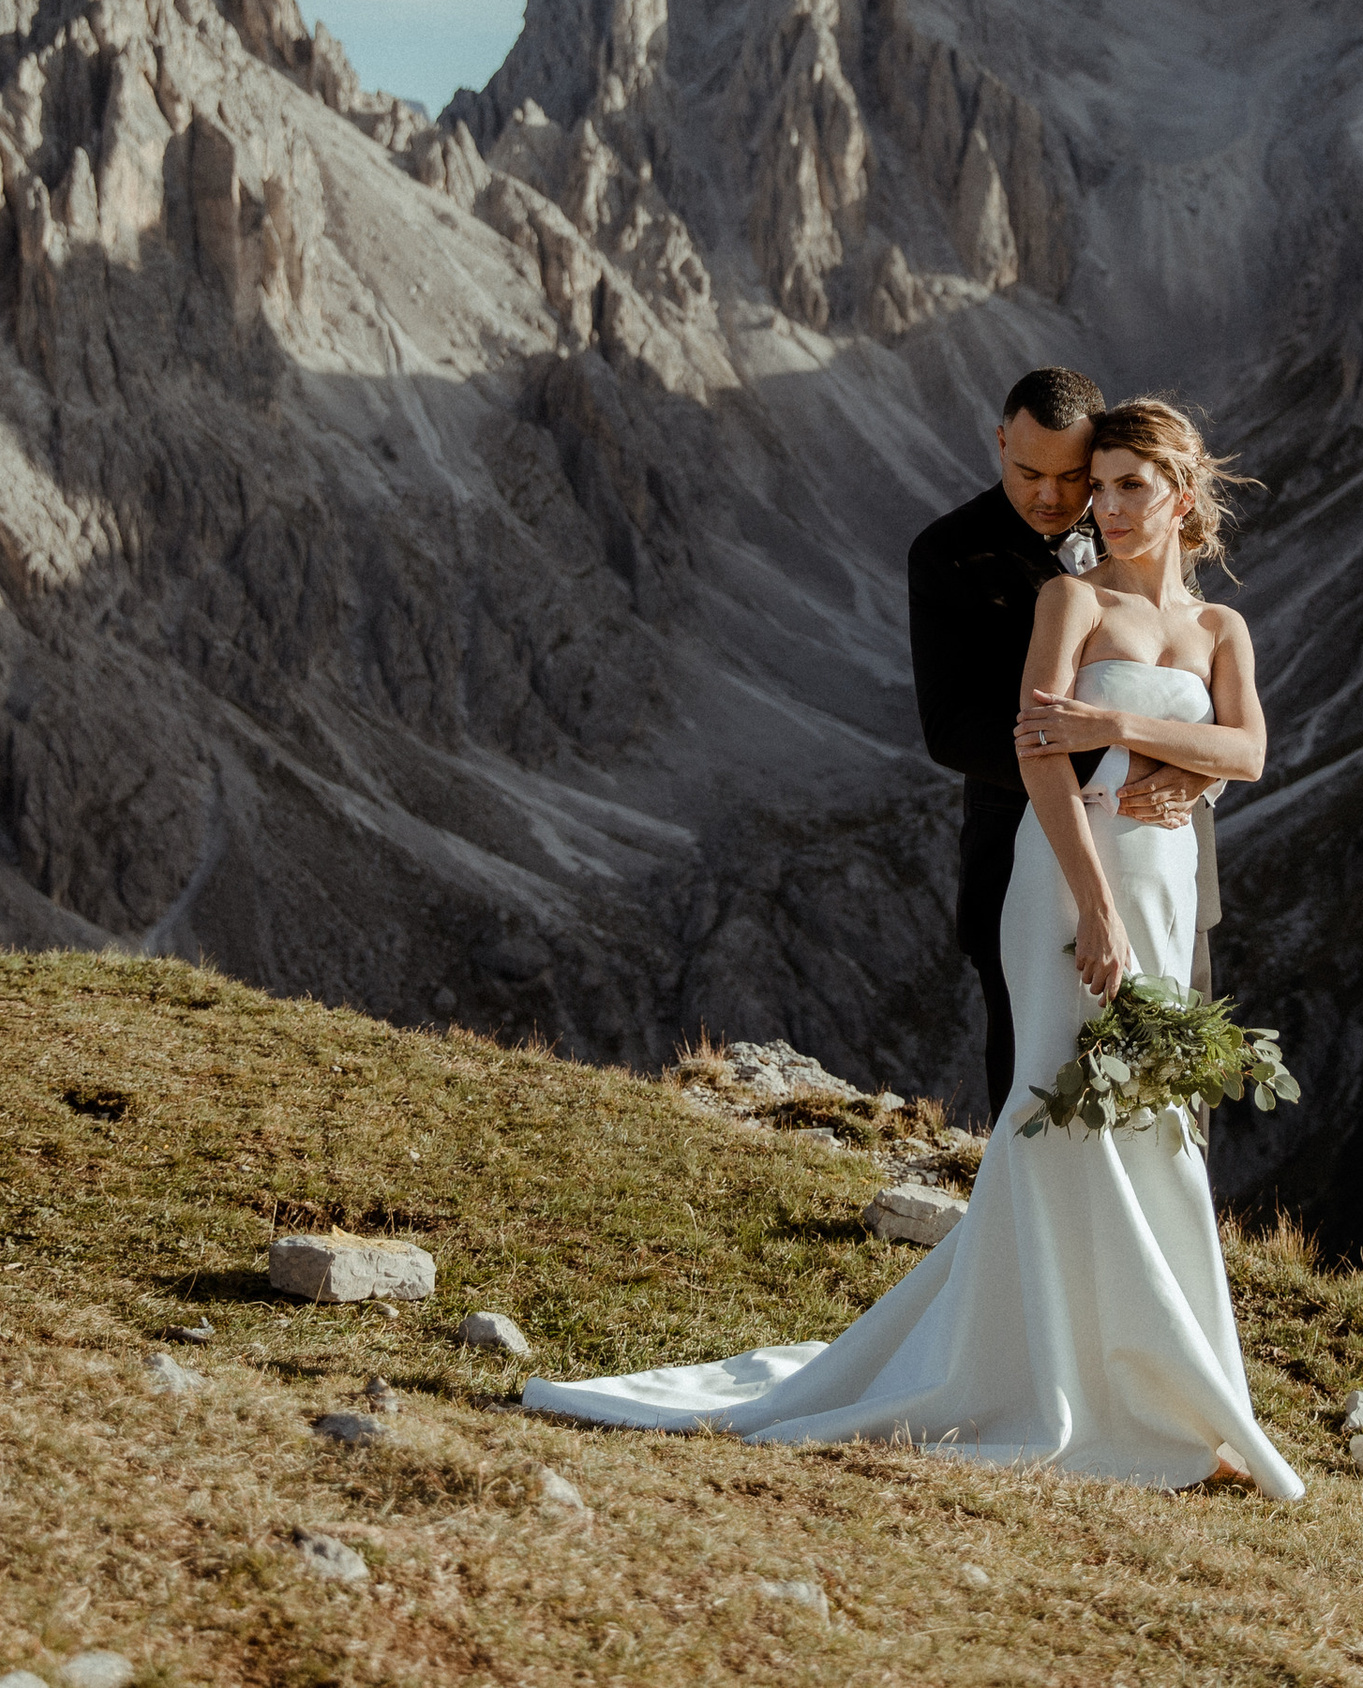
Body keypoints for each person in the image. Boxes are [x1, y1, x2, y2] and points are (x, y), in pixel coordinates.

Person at [524, 396, 1302, 1500]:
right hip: (1071, 877)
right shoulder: (1070, 598)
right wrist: (1097, 905)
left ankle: (1176, 1389)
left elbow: (1249, 751)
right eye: (1100, 486)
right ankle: (1045, 1372)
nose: (1106, 506)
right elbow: (1036, 752)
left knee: (1155, 1116)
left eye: (1131, 485)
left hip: (1169, 885)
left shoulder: (1222, 628)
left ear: (1182, 495)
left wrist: (1124, 729)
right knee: (1052, 1101)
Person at [903, 367, 1217, 1120]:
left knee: (1176, 1078)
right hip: (1023, 849)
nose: (1051, 495)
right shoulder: (947, 553)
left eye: (1072, 476)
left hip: (1163, 849)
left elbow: (1187, 679)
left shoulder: (1135, 517)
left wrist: (1197, 775)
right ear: (1000, 443)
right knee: (1038, 1085)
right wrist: (1106, 764)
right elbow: (949, 727)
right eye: (1028, 472)